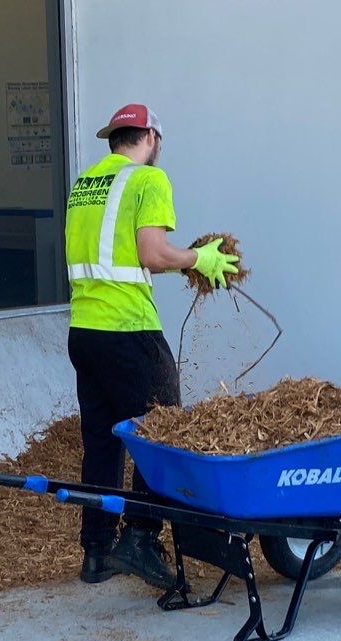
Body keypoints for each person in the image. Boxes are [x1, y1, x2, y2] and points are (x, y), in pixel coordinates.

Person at [65, 102, 237, 587]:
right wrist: (198, 259)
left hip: (84, 331)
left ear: (112, 139)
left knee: (102, 442)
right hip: (128, 330)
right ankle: (140, 539)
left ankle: (96, 551)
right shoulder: (148, 181)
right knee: (162, 432)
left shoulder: (85, 185)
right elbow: (152, 253)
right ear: (152, 139)